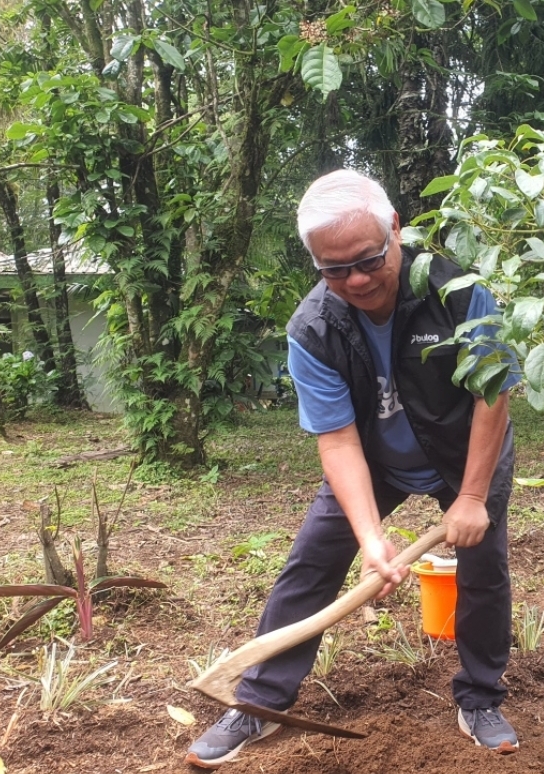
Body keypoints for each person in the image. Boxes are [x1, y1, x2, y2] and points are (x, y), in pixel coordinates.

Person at [185, 169, 522, 768]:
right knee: (311, 563)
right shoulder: (312, 328)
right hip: (373, 461)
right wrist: (370, 536)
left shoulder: (459, 291)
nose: (357, 280)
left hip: (464, 451)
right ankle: (258, 703)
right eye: (334, 270)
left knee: (484, 568)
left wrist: (472, 497)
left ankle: (480, 698)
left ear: (395, 228)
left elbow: (491, 396)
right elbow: (337, 441)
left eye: (368, 260)